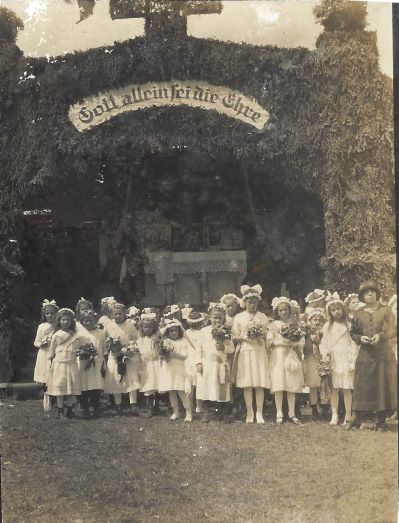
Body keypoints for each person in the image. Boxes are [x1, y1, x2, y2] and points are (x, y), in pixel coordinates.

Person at [349, 281, 397, 431]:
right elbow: (353, 332)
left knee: (382, 385)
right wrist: (360, 338)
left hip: (383, 356)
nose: (370, 294)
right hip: (365, 355)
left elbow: (395, 329)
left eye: (372, 291)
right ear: (362, 296)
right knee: (362, 385)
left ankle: (381, 421)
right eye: (366, 292)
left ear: (377, 294)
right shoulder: (359, 313)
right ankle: (357, 419)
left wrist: (381, 336)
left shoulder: (386, 311)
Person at [232, 285, 270, 424]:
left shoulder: (262, 317)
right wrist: (245, 337)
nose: (252, 304)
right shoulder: (239, 317)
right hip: (245, 352)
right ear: (245, 302)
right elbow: (234, 337)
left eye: (254, 302)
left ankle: (259, 412)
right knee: (247, 383)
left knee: (259, 383)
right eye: (249, 302)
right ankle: (250, 412)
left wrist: (260, 336)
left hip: (259, 351)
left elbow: (267, 334)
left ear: (257, 302)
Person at [319, 294, 358, 426]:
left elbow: (353, 343)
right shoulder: (327, 326)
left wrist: (353, 360)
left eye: (338, 309)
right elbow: (323, 343)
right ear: (330, 312)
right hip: (334, 359)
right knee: (334, 388)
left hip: (346, 357)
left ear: (343, 309)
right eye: (333, 310)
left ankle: (348, 413)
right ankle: (334, 414)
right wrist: (325, 356)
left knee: (347, 388)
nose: (336, 312)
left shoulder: (349, 324)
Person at [267, 296, 304, 425]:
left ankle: (292, 413)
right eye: (280, 310)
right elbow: (269, 341)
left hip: (291, 354)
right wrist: (276, 341)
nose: (283, 313)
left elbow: (301, 341)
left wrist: (293, 342)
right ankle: (279, 413)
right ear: (277, 312)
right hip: (278, 354)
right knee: (279, 383)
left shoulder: (295, 324)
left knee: (291, 383)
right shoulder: (273, 325)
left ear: (289, 310)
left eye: (285, 310)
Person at [196, 303, 235, 423]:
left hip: (220, 364)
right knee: (207, 387)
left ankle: (223, 413)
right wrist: (198, 362)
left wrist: (224, 347)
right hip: (207, 364)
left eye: (220, 318)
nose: (217, 320)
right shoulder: (204, 331)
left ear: (224, 318)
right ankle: (208, 411)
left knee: (221, 386)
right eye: (215, 317)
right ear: (210, 318)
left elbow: (231, 348)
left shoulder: (227, 331)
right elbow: (198, 348)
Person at [104, 302, 140, 415]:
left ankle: (133, 404)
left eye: (120, 313)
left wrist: (129, 348)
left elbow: (135, 339)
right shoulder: (109, 326)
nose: (118, 316)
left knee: (131, 379)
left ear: (124, 313)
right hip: (114, 356)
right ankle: (118, 405)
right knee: (115, 380)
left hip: (127, 355)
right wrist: (112, 347)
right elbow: (105, 341)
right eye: (115, 314)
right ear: (112, 314)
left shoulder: (130, 325)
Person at [46, 308, 82, 419]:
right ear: (59, 321)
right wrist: (50, 365)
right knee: (60, 388)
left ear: (72, 321)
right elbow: (51, 351)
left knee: (70, 388)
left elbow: (77, 350)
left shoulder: (75, 335)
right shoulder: (57, 335)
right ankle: (60, 411)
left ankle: (70, 410)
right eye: (63, 320)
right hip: (60, 365)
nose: (65, 322)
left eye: (68, 320)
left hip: (71, 364)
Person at [158, 318, 191, 422]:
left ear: (179, 331)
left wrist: (173, 353)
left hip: (179, 369)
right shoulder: (166, 342)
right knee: (171, 391)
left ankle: (188, 412)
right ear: (167, 332)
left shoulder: (183, 342)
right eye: (171, 331)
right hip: (169, 369)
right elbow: (163, 355)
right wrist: (164, 355)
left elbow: (185, 356)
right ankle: (175, 412)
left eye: (175, 331)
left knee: (180, 391)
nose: (173, 333)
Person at [78, 310, 106, 419]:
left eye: (91, 320)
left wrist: (103, 361)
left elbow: (103, 347)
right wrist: (83, 353)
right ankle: (85, 408)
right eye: (85, 321)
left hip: (97, 361)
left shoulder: (101, 332)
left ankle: (95, 407)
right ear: (82, 321)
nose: (88, 323)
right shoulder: (79, 333)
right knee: (84, 385)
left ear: (95, 320)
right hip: (83, 362)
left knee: (96, 385)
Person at [33, 299, 59, 414]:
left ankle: (58, 400)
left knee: (56, 376)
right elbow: (36, 342)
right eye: (47, 313)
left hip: (56, 353)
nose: (50, 315)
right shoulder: (42, 327)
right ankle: (47, 401)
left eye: (52, 313)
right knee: (45, 378)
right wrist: (41, 344)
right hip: (44, 353)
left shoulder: (59, 325)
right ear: (44, 314)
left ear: (56, 314)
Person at [136, 309, 161, 418]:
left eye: (150, 327)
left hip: (157, 364)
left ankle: (157, 406)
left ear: (154, 327)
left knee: (158, 386)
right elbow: (139, 352)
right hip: (146, 365)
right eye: (145, 327)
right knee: (148, 386)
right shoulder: (140, 340)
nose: (147, 329)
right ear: (142, 328)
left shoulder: (157, 338)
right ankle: (150, 406)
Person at [302, 308, 325, 421]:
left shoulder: (324, 332)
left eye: (319, 320)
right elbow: (304, 347)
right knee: (313, 385)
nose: (316, 322)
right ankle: (314, 407)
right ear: (310, 321)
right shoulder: (306, 332)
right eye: (314, 319)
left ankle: (326, 406)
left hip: (322, 359)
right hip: (311, 359)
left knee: (324, 384)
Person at [185, 311, 205, 414]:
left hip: (191, 359)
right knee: (197, 384)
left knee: (191, 384)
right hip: (196, 359)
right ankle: (198, 406)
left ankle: (192, 405)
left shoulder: (187, 333)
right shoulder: (201, 332)